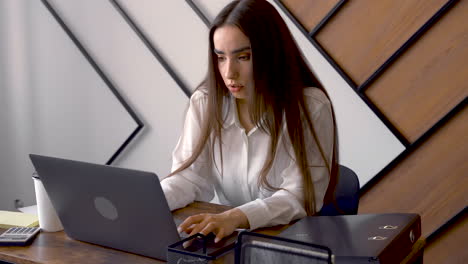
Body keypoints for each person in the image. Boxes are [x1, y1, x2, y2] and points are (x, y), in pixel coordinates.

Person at [160, 0, 338, 244]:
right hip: (226, 238)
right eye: (221, 58)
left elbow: (299, 196)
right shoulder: (204, 102)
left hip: (289, 241)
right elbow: (188, 178)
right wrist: (146, 203)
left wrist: (236, 217)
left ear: (272, 54)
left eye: (243, 57)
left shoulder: (310, 107)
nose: (229, 73)